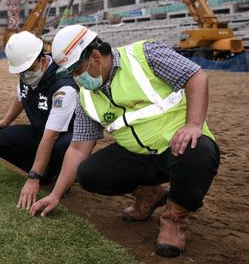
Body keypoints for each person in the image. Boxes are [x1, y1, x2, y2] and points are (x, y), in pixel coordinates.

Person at [29, 24, 220, 258]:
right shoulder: (86, 96)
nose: (76, 78)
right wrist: (56, 194)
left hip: (178, 145)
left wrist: (193, 125)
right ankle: (150, 194)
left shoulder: (145, 54)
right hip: (139, 156)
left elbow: (195, 75)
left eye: (77, 70)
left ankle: (174, 218)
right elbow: (78, 148)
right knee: (89, 172)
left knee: (198, 153)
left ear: (96, 56)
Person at [0, 31, 78, 210]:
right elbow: (20, 96)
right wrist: (5, 120)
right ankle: (47, 174)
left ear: (42, 59)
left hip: (63, 135)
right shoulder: (27, 75)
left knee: (64, 145)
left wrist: (33, 178)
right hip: (41, 130)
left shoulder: (63, 85)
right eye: (20, 72)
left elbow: (51, 136)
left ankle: (64, 175)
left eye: (28, 70)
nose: (25, 76)